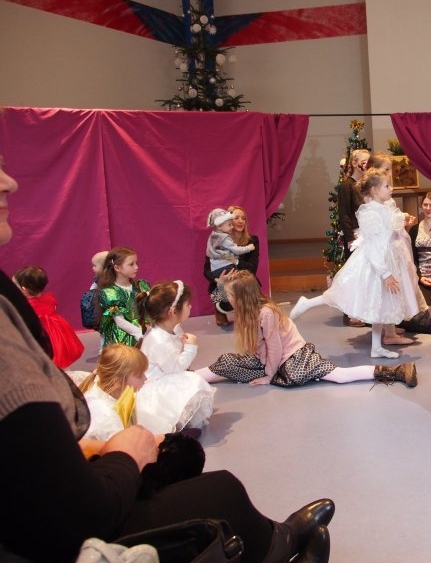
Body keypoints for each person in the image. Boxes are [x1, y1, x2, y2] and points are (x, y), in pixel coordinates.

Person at [0, 159, 335, 563]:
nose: (10, 182)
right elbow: (68, 504)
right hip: (66, 523)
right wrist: (124, 456)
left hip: (74, 484)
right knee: (222, 489)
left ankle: (277, 538)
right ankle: (280, 546)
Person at [195, 270, 417, 387]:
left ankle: (394, 371)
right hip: (264, 358)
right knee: (227, 362)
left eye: (229, 295)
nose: (227, 299)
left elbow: (275, 348)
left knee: (337, 376)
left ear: (242, 298)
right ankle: (186, 379)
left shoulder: (266, 313)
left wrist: (268, 376)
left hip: (292, 356)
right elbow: (220, 304)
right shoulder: (245, 309)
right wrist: (219, 286)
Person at [290, 169, 421, 358]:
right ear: (375, 190)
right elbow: (374, 246)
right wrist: (385, 273)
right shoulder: (370, 213)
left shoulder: (384, 207)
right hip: (374, 264)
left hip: (386, 260)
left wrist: (403, 220)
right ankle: (307, 303)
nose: (391, 188)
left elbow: (390, 227)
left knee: (379, 304)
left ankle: (376, 347)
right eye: (387, 186)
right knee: (343, 293)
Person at [136, 280, 215, 434]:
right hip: (157, 386)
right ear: (172, 312)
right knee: (192, 381)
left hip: (167, 375)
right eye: (187, 304)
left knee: (189, 379)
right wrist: (190, 348)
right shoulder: (158, 340)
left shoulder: (173, 328)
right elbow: (176, 369)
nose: (190, 306)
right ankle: (175, 425)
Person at [13, 265, 84, 368]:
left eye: (15, 285)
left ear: (24, 289)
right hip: (57, 330)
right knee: (57, 355)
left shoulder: (27, 305)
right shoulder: (48, 298)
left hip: (41, 332)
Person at [204, 204, 260, 327]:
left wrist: (233, 260)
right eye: (236, 218)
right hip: (221, 280)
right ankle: (219, 310)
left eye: (243, 218)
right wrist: (218, 280)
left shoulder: (252, 241)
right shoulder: (215, 240)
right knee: (216, 292)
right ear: (227, 220)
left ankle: (245, 312)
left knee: (249, 286)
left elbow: (252, 268)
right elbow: (206, 270)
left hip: (242, 279)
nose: (241, 221)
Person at [338, 149, 370, 327]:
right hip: (356, 235)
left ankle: (365, 311)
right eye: (363, 161)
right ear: (355, 163)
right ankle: (350, 314)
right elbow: (344, 215)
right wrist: (350, 238)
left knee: (365, 274)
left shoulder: (366, 185)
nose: (366, 164)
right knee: (353, 275)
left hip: (367, 234)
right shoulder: (347, 186)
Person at [98, 246, 151, 348]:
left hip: (145, 332)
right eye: (131, 264)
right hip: (124, 338)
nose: (136, 267)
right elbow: (120, 321)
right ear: (117, 268)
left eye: (136, 263)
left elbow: (148, 312)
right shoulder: (110, 293)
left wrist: (149, 330)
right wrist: (140, 334)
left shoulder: (141, 286)